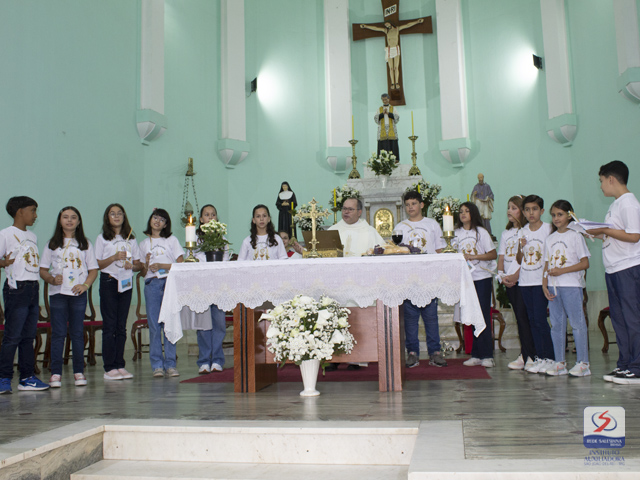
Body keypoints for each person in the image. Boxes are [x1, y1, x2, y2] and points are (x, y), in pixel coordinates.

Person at [587, 161, 640, 385]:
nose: (600, 186)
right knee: (619, 319)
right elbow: (615, 234)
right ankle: (625, 364)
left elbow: (634, 236)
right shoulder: (616, 205)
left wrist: (604, 229)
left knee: (632, 319)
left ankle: (637, 367)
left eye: (601, 181)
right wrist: (594, 232)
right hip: (614, 269)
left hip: (628, 268)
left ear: (611, 179)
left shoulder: (629, 203)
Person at [40, 207, 98, 387]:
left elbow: (93, 270)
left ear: (79, 222)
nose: (69, 220)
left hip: (77, 294)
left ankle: (78, 372)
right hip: (58, 294)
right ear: (60, 221)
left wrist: (85, 285)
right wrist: (51, 279)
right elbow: (43, 270)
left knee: (77, 333)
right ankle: (56, 373)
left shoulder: (85, 244)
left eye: (73, 217)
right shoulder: (52, 244)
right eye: (65, 217)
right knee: (58, 333)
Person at [0, 197, 49, 393]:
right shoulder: (5, 234)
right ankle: (4, 378)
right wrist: (4, 263)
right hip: (16, 289)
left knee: (28, 336)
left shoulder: (32, 236)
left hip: (32, 288)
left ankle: (27, 378)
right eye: (32, 210)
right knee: (12, 336)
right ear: (20, 211)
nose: (35, 215)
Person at [393, 191, 447, 368]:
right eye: (407, 204)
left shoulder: (432, 225)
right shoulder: (400, 227)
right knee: (410, 318)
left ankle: (435, 352)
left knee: (431, 317)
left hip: (429, 276)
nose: (410, 207)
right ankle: (412, 353)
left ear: (422, 205)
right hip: (409, 278)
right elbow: (396, 251)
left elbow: (439, 249)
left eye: (414, 203)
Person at [542, 200, 591, 377]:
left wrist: (562, 271)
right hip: (554, 286)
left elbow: (585, 263)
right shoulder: (550, 239)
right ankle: (559, 362)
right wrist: (544, 284)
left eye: (560, 214)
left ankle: (583, 363)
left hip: (571, 285)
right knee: (556, 325)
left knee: (577, 323)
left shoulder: (576, 236)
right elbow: (546, 264)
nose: (556, 218)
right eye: (553, 215)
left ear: (569, 216)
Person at [95, 203, 142, 381]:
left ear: (124, 216)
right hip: (109, 281)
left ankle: (120, 364)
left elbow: (139, 264)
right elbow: (97, 264)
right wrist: (114, 257)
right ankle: (109, 367)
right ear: (107, 218)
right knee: (110, 325)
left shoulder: (131, 239)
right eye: (112, 214)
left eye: (119, 213)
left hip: (125, 283)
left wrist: (132, 266)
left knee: (121, 325)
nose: (116, 216)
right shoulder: (102, 238)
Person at [139, 209, 185, 377]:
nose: (157, 221)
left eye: (162, 219)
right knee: (154, 326)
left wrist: (162, 266)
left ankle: (171, 364)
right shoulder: (144, 244)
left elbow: (181, 263)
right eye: (155, 218)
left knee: (169, 323)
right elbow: (142, 272)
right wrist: (146, 263)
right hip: (152, 284)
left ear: (166, 224)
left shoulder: (171, 240)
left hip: (169, 284)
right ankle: (157, 365)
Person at [455, 202, 498, 368]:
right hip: (465, 280)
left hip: (481, 278)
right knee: (471, 315)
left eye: (467, 211)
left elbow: (492, 254)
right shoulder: (456, 233)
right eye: (461, 211)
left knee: (482, 315)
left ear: (473, 213)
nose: (463, 214)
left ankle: (487, 355)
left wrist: (473, 256)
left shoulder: (481, 232)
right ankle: (476, 354)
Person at [516, 195, 555, 374]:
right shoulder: (522, 231)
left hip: (541, 281)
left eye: (534, 209)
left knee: (540, 319)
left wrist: (546, 281)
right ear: (523, 212)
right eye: (527, 210)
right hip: (525, 281)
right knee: (532, 320)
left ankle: (550, 357)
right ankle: (539, 357)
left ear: (542, 211)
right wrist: (520, 247)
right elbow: (519, 259)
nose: (531, 213)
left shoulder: (548, 229)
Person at [498, 195, 536, 371]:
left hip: (523, 280)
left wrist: (515, 276)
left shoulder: (527, 231)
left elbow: (527, 258)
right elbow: (501, 257)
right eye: (508, 207)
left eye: (514, 208)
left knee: (525, 318)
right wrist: (501, 276)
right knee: (519, 318)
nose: (509, 211)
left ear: (522, 211)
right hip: (509, 281)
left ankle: (531, 355)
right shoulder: (506, 233)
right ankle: (525, 353)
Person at [195, 204, 229, 374]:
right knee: (203, 325)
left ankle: (217, 359)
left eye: (213, 214)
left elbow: (225, 261)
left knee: (219, 323)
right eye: (207, 215)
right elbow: (193, 259)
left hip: (218, 286)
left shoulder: (222, 240)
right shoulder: (195, 240)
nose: (210, 217)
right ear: (201, 219)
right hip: (202, 286)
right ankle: (203, 360)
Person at [360, 19, 424, 90]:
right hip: (390, 49)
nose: (386, 25)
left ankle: (397, 82)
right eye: (385, 25)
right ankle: (392, 83)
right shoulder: (386, 31)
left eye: (387, 23)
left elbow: (407, 25)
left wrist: (417, 22)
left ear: (390, 23)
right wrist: (366, 26)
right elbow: (376, 28)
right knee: (391, 68)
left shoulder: (397, 29)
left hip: (396, 49)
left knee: (396, 67)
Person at [373, 93, 400, 161]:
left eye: (385, 99)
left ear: (388, 99)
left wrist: (389, 114)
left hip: (392, 131)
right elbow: (376, 119)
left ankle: (394, 161)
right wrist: (382, 114)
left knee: (392, 146)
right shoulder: (379, 109)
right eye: (383, 99)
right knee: (383, 147)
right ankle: (382, 162)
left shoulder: (393, 108)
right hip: (382, 132)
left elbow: (397, 118)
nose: (384, 101)